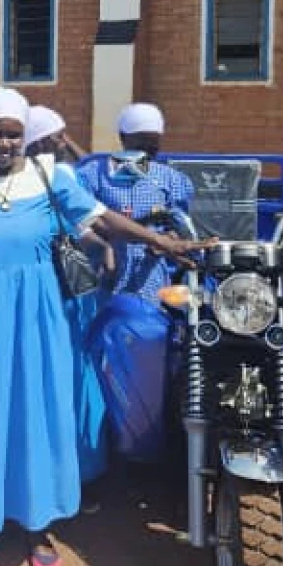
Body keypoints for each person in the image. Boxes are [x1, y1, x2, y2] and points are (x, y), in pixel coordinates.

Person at [0, 87, 200, 566]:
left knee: (36, 410)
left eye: (14, 134)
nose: (6, 143)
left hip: (39, 315)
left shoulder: (51, 176)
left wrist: (157, 238)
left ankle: (38, 523)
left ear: (23, 136)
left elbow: (103, 218)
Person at [76, 102, 194, 464]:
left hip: (139, 278)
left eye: (151, 147)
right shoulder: (95, 174)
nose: (144, 154)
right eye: (139, 144)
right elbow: (80, 218)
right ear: (122, 138)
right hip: (111, 275)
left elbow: (181, 227)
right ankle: (114, 436)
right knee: (111, 353)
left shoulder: (165, 179)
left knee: (142, 350)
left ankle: (134, 434)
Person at [23, 104, 111, 485]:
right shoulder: (58, 173)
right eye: (58, 134)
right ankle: (81, 468)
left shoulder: (30, 176)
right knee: (76, 372)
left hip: (49, 287)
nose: (64, 140)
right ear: (44, 140)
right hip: (68, 289)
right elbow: (82, 225)